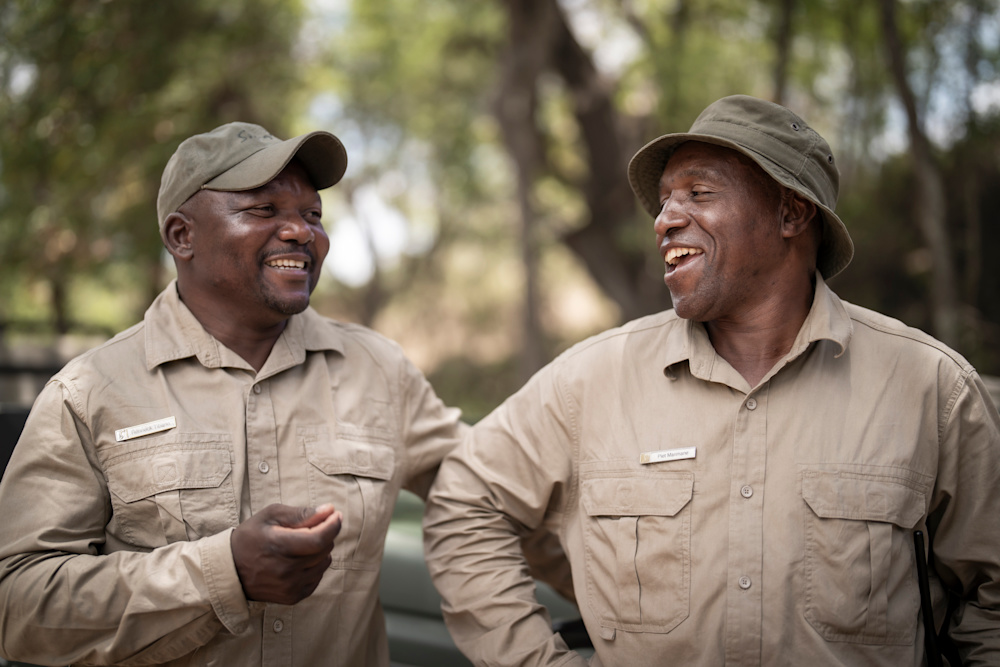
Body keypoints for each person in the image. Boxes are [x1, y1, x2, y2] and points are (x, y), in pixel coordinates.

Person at [422, 95, 1000, 665]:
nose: (665, 219)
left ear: (791, 214)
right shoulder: (591, 380)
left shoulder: (931, 389)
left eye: (699, 193)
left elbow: (989, 602)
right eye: (666, 200)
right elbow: (464, 502)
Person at [0, 122, 465, 666]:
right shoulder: (89, 392)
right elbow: (16, 603)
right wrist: (225, 574)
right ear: (182, 236)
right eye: (264, 211)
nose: (300, 232)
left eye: (312, 214)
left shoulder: (381, 370)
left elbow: (494, 492)